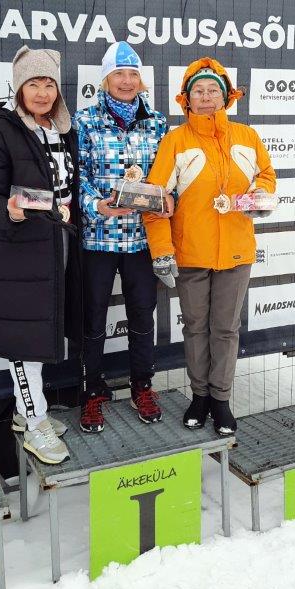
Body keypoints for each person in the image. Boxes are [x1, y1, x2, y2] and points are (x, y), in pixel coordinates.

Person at [143, 57, 276, 436]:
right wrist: (162, 250)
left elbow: (267, 176)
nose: (205, 97)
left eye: (212, 90)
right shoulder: (175, 141)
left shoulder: (247, 137)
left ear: (225, 96)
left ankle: (221, 400)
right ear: (186, 99)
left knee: (226, 330)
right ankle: (199, 397)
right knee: (196, 328)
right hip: (191, 254)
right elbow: (154, 199)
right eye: (198, 91)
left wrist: (259, 196)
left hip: (236, 252)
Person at [0, 45, 82, 463]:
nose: (42, 92)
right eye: (33, 83)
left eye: (49, 83)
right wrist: (10, 211)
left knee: (44, 329)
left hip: (58, 247)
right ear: (18, 88)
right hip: (19, 254)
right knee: (25, 340)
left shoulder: (62, 128)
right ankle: (35, 423)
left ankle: (26, 411)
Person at [73, 41, 173, 433]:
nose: (127, 81)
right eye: (119, 74)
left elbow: (170, 176)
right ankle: (92, 393)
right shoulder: (84, 121)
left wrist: (169, 198)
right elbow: (75, 176)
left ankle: (141, 387)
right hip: (98, 238)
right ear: (106, 79)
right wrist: (95, 204)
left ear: (141, 80)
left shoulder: (158, 123)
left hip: (142, 239)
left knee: (143, 316)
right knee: (93, 318)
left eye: (133, 74)